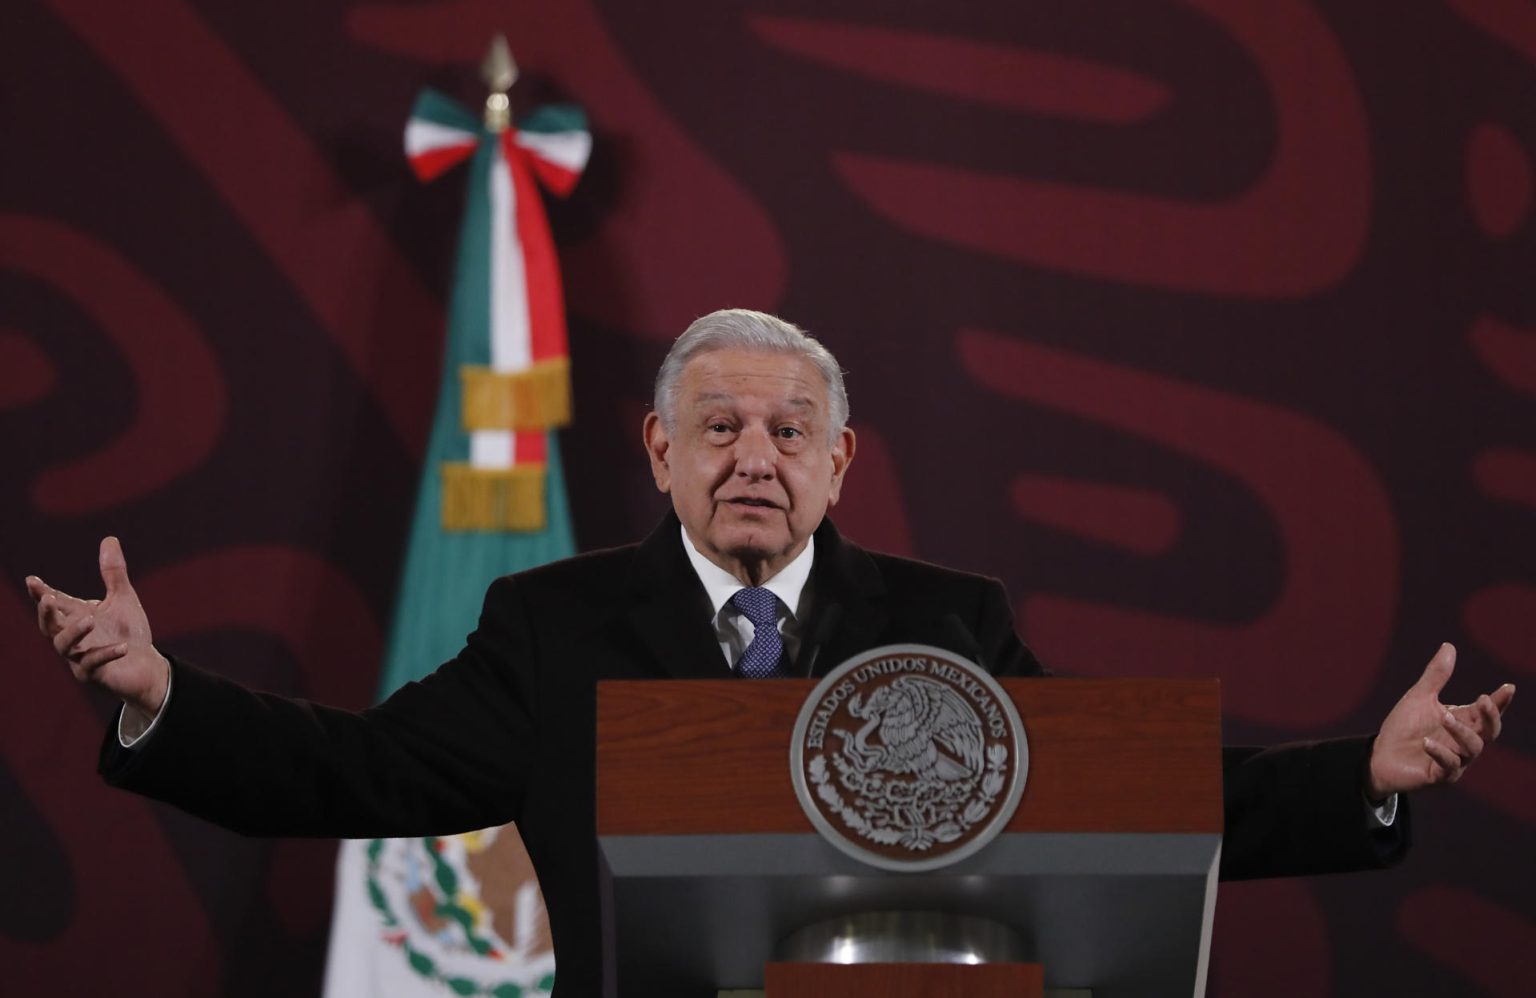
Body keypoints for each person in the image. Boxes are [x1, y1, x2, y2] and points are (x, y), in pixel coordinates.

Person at [27, 309, 1514, 996]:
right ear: (661, 451)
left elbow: (1116, 808)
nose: (757, 457)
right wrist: (166, 700)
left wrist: (1357, 781)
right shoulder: (553, 626)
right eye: (721, 428)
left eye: (790, 429)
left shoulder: (951, 621)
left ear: (842, 459)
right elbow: (358, 768)